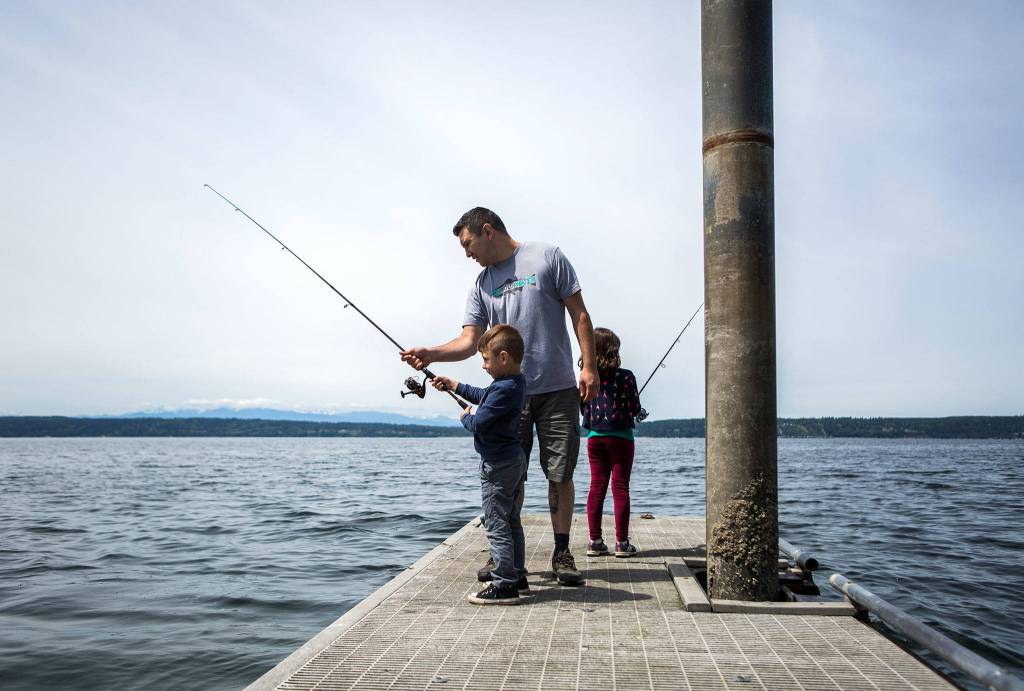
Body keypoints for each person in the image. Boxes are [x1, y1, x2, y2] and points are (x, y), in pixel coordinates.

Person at [401, 207, 598, 586]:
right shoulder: (480, 284)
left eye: (467, 243)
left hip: (557, 388)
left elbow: (580, 315)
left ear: (487, 230)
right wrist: (431, 353)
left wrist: (589, 367)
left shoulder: (547, 257)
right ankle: (506, 555)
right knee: (512, 475)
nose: (466, 253)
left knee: (559, 474)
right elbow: (469, 341)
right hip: (509, 396)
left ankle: (562, 552)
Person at [431, 325, 529, 604]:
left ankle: (504, 584)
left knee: (496, 524)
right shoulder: (512, 384)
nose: (484, 366)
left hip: (497, 465)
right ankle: (516, 575)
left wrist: (464, 417)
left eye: (486, 360)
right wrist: (455, 385)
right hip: (512, 460)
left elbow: (479, 423)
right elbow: (484, 395)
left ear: (504, 357)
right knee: (511, 521)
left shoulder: (503, 388)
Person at [580, 328, 642, 558]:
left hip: (595, 438)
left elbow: (582, 407)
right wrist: (636, 412)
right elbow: (635, 407)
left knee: (597, 486)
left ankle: (595, 542)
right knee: (620, 488)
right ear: (613, 350)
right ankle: (621, 543)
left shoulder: (587, 376)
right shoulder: (627, 376)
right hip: (622, 438)